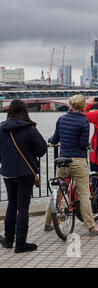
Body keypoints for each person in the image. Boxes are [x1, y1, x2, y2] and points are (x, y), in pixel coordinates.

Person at [44, 94, 98, 236]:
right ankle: (91, 227)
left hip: (62, 160)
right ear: (83, 106)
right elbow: (83, 144)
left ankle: (47, 224)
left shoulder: (61, 119)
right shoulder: (83, 121)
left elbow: (54, 139)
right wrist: (89, 146)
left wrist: (50, 140)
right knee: (84, 194)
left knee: (58, 192)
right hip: (77, 160)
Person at [0, 100, 47, 253]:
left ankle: (8, 240)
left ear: (10, 112)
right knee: (23, 207)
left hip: (7, 172)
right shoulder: (30, 129)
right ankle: (21, 244)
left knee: (11, 204)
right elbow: (41, 150)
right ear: (24, 111)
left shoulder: (1, 128)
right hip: (25, 173)